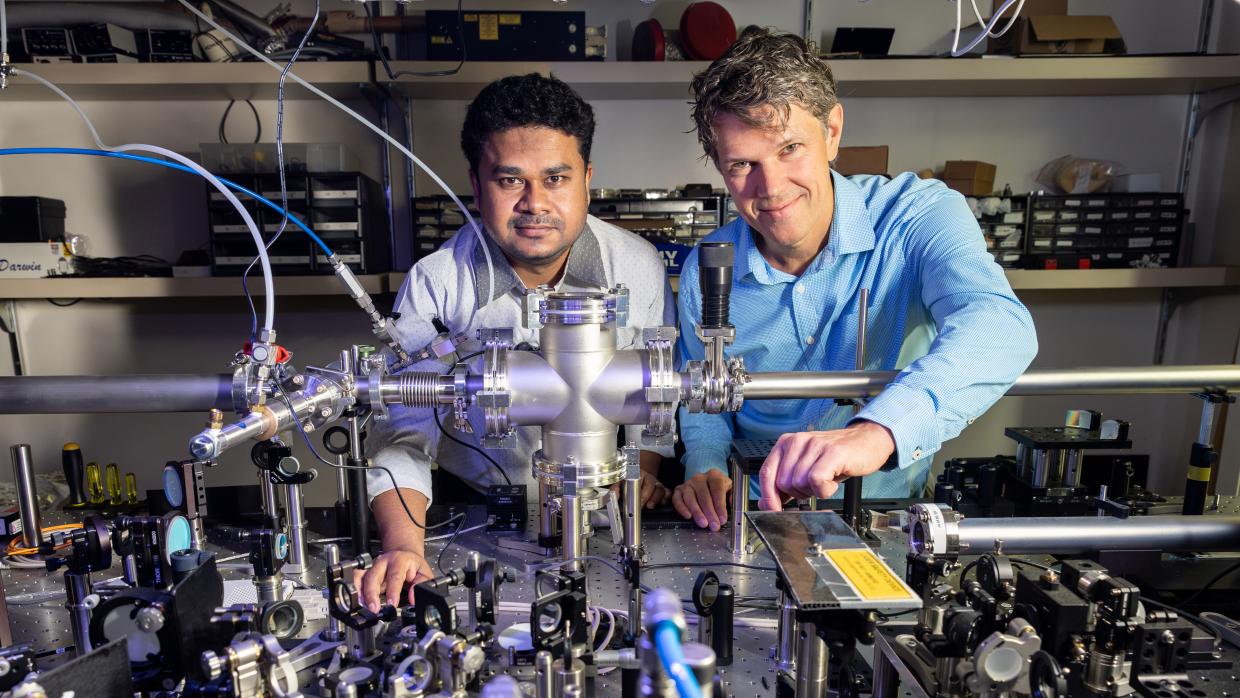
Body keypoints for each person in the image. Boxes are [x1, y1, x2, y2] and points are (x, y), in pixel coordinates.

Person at [673, 28, 1038, 531]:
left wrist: (876, 432)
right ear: (719, 166)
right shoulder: (708, 270)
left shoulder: (917, 216)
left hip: (883, 516)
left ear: (833, 131)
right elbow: (704, 402)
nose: (772, 187)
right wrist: (707, 467)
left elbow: (1000, 326)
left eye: (790, 148)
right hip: (754, 518)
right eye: (743, 164)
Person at [357, 74, 675, 610]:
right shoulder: (438, 283)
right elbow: (403, 435)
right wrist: (405, 547)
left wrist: (640, 477)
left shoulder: (636, 267)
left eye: (556, 178)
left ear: (587, 180)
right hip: (476, 515)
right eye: (510, 181)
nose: (535, 203)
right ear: (477, 186)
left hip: (606, 517)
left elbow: (655, 406)